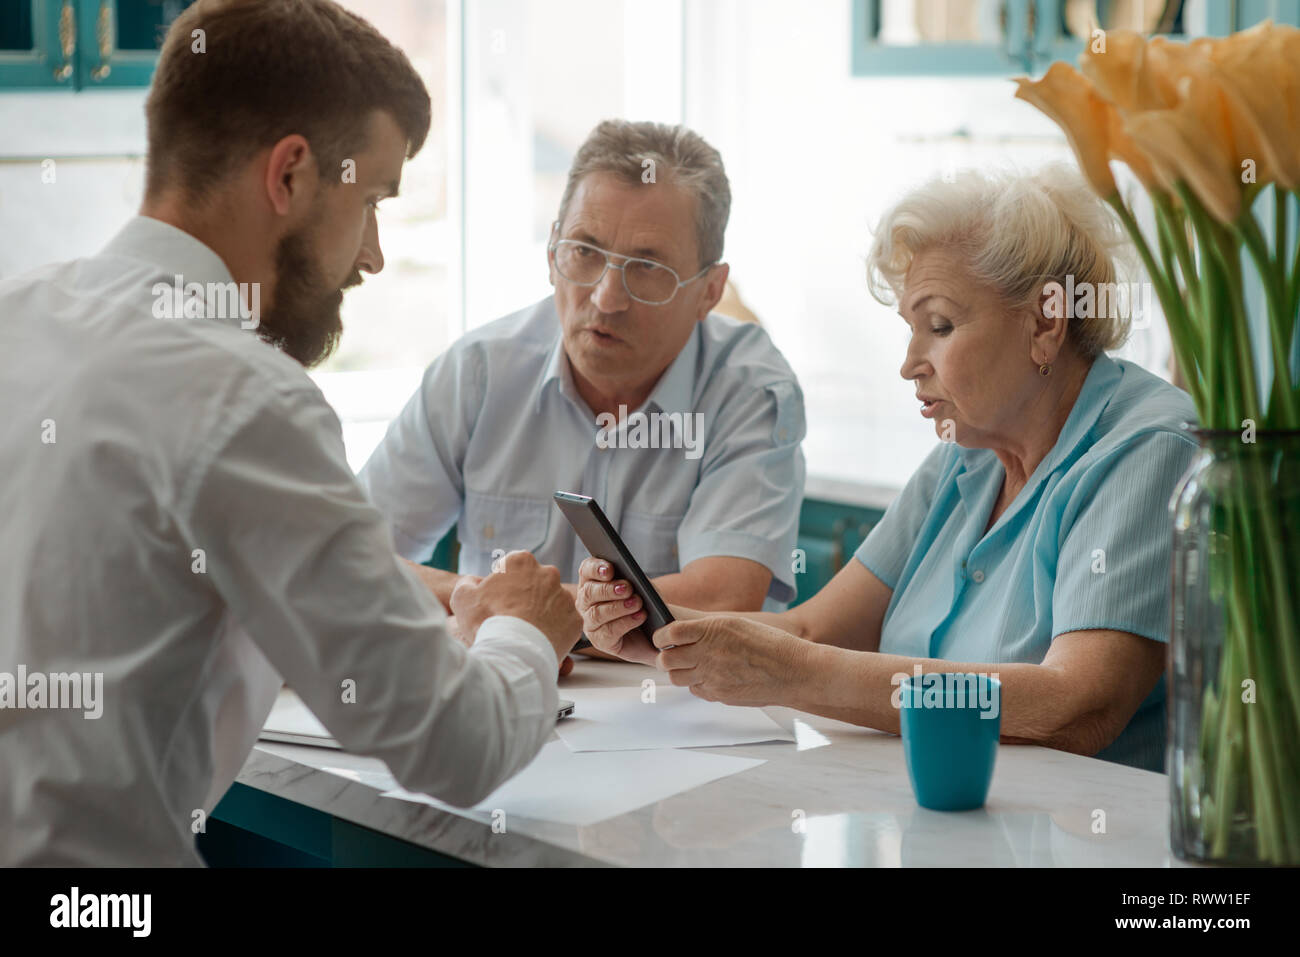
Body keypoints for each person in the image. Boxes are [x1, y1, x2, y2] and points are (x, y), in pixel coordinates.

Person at [0, 0, 581, 866]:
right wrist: (527, 625)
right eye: (373, 199)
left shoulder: (20, 316)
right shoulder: (242, 395)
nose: (373, 254)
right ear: (292, 176)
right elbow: (456, 745)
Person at [576, 165, 1198, 773]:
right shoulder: (966, 453)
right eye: (910, 329)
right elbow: (812, 630)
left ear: (1045, 322)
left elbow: (1076, 705)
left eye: (941, 326)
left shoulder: (1147, 449)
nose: (909, 364)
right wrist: (653, 627)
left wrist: (792, 673)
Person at [358, 120, 807, 667]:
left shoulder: (750, 392)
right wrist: (485, 606)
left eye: (647, 268)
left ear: (709, 291)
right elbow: (355, 554)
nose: (606, 296)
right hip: (500, 696)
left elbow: (722, 599)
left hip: (671, 722)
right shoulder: (478, 372)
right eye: (584, 252)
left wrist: (515, 614)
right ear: (552, 253)